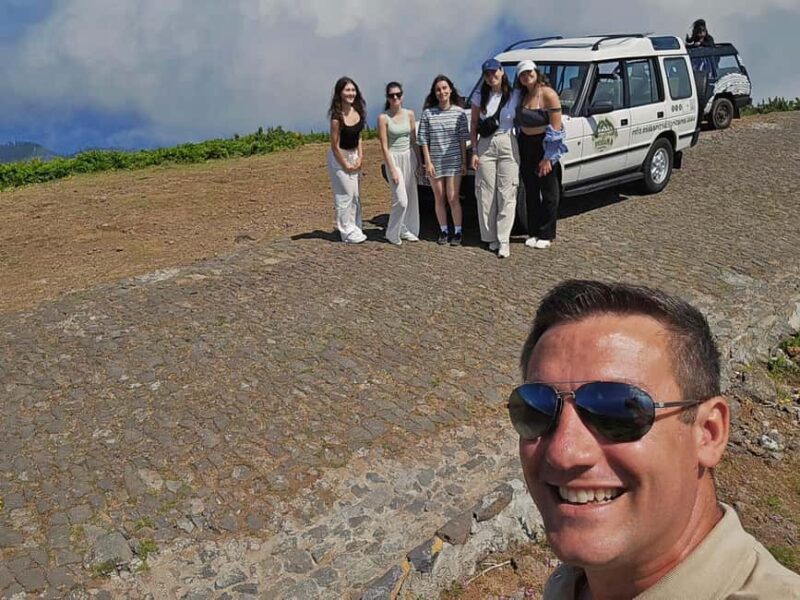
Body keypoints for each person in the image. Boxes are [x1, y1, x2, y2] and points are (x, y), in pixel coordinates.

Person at [510, 279, 800, 599]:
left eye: (617, 411)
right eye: (537, 407)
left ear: (709, 433)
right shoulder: (573, 584)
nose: (563, 451)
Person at [470, 58, 520, 259]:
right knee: (485, 192)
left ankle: (504, 239)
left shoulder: (514, 94)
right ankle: (490, 236)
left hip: (507, 140)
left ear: (502, 71)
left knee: (507, 192)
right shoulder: (479, 95)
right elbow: (473, 124)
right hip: (486, 144)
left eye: (494, 72)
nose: (492, 77)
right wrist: (474, 150)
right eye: (488, 74)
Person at [515, 60, 567, 250]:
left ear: (536, 72)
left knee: (549, 191)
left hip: (544, 144)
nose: (526, 76)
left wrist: (548, 157)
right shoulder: (522, 96)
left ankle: (546, 233)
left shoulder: (548, 95)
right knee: (530, 190)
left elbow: (556, 128)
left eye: (529, 72)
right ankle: (533, 231)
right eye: (522, 74)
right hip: (525, 144)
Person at [418, 75, 469, 246]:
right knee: (439, 197)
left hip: (454, 161)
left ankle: (458, 231)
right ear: (434, 93)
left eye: (444, 88)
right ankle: (444, 230)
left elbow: (463, 138)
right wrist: (428, 162)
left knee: (453, 197)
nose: (442, 92)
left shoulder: (459, 113)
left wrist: (463, 161)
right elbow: (423, 139)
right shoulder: (428, 114)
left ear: (450, 89)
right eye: (438, 89)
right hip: (436, 162)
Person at [377, 82, 421, 246]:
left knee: (411, 196)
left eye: (398, 94)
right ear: (387, 98)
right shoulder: (384, 117)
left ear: (402, 95)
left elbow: (414, 140)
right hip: (393, 158)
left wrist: (419, 162)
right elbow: (383, 145)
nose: (395, 98)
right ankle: (392, 232)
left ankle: (407, 229)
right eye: (391, 95)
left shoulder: (410, 114)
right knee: (401, 200)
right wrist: (392, 169)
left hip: (409, 156)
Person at [327, 76, 367, 244]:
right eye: (347, 90)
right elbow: (334, 145)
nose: (350, 93)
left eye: (353, 90)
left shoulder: (358, 111)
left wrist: (360, 157)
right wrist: (345, 164)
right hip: (339, 157)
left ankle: (355, 226)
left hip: (354, 155)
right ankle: (346, 231)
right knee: (345, 195)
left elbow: (359, 137)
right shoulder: (337, 117)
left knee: (356, 195)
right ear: (340, 93)